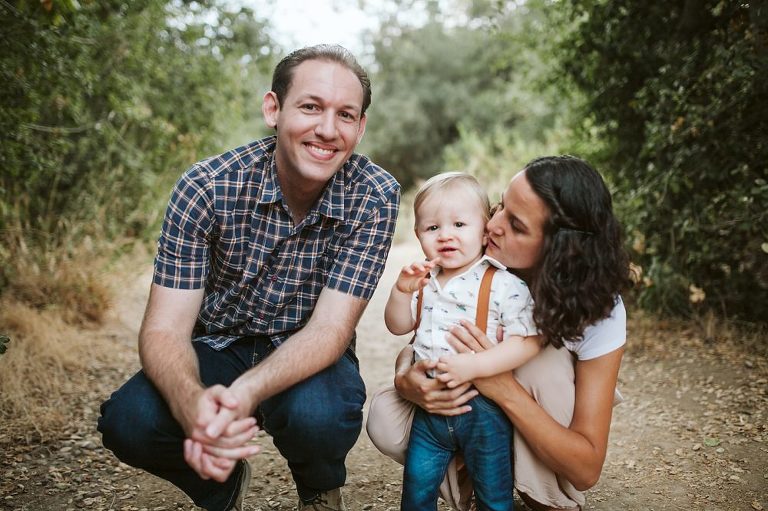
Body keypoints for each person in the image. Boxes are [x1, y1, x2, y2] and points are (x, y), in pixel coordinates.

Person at [97, 44, 400, 511]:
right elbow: (164, 330)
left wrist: (245, 394)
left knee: (321, 413)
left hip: (306, 347)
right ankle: (221, 486)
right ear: (273, 109)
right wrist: (192, 405)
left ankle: (318, 487)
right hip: (217, 345)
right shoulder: (206, 187)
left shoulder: (374, 195)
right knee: (129, 420)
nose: (326, 129)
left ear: (360, 127)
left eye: (345, 115)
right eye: (311, 107)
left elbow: (330, 329)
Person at [367, 155, 631, 511]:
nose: (494, 226)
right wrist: (405, 380)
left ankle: (541, 490)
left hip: (512, 400)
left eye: (517, 226)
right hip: (461, 408)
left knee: (544, 362)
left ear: (558, 248)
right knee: (385, 414)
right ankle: (470, 472)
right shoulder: (470, 258)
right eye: (501, 205)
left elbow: (586, 470)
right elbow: (423, 334)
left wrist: (498, 383)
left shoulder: (599, 310)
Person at [385, 172, 543, 511]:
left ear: (485, 228)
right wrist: (401, 292)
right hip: (430, 409)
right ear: (418, 236)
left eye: (459, 224)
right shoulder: (426, 282)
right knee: (416, 492)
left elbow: (527, 340)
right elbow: (398, 327)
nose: (446, 236)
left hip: (482, 408)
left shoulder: (501, 283)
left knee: (495, 495)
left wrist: (474, 365)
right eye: (432, 228)